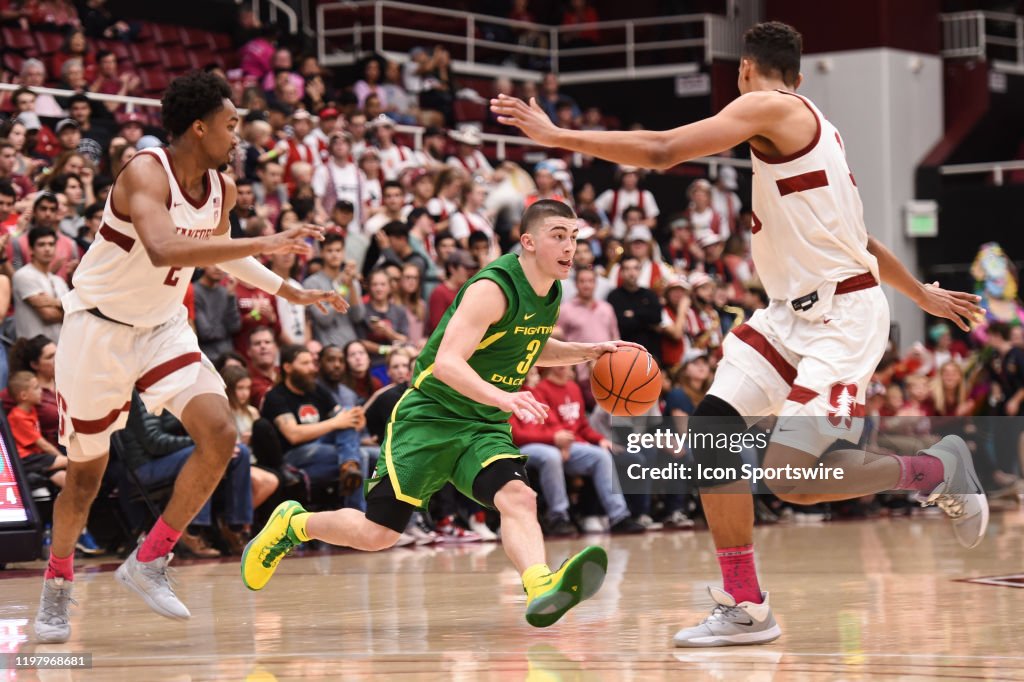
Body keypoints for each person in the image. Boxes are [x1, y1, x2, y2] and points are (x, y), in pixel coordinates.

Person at [492, 21, 986, 647]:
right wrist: (923, 294)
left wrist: (559, 135)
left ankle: (934, 470)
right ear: (799, 75)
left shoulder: (766, 106)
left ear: (745, 72)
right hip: (788, 316)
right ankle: (746, 605)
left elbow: (665, 149)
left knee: (792, 478)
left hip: (842, 320)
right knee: (712, 432)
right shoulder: (815, 130)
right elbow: (856, 240)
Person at [33, 72, 347, 644]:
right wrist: (264, 241)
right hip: (97, 332)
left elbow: (223, 254)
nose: (238, 137)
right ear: (199, 127)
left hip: (162, 328)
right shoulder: (144, 170)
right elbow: (165, 248)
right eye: (231, 125)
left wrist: (288, 289)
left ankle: (150, 560)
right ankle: (56, 588)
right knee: (84, 478)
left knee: (222, 433)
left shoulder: (221, 189)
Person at [243, 200, 641, 628]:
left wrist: (588, 351)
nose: (570, 246)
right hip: (431, 416)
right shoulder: (493, 288)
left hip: (482, 424)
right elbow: (448, 362)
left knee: (519, 497)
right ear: (528, 241)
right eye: (558, 235)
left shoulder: (551, 291)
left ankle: (541, 585)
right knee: (379, 533)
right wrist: (504, 398)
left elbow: (527, 343)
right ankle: (294, 524)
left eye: (574, 237)